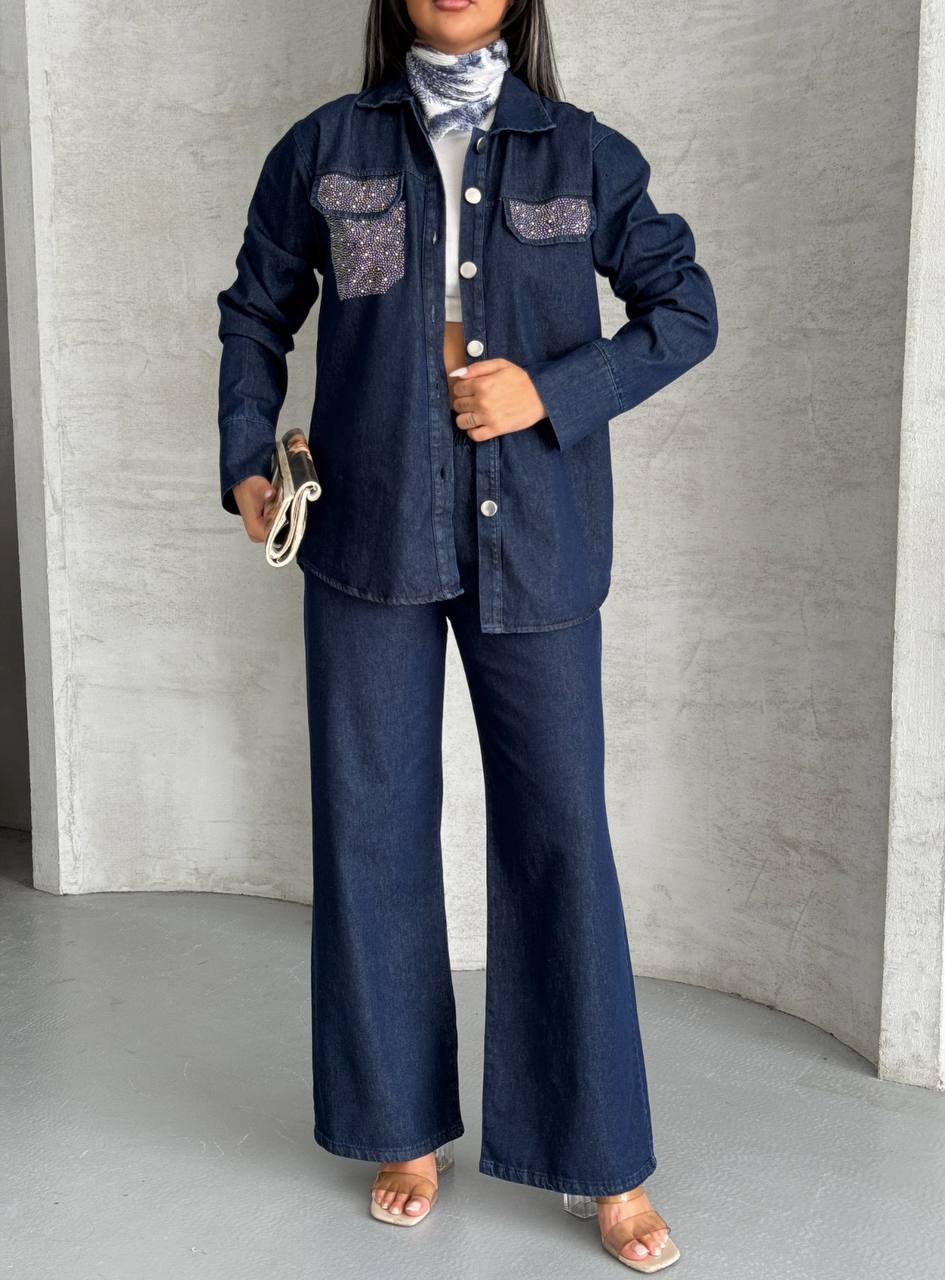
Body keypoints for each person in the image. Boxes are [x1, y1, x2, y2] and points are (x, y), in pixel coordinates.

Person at [216, 0, 718, 1270]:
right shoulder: (325, 146)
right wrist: (247, 461)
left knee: (560, 835)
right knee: (373, 832)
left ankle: (603, 1156)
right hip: (367, 531)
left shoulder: (583, 150)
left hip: (537, 536)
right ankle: (400, 1126)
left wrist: (551, 388)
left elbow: (685, 307)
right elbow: (256, 310)